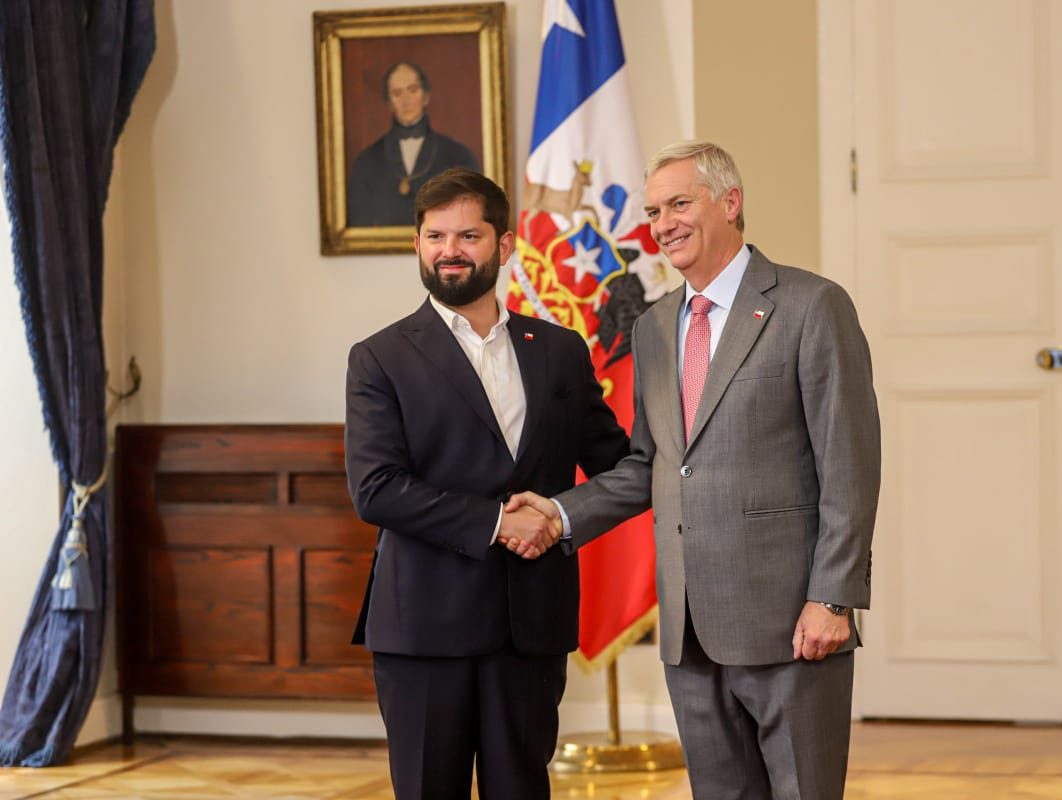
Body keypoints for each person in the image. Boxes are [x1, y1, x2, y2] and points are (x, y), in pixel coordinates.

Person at [504, 141, 881, 799]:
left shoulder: (811, 306)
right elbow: (651, 465)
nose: (663, 224)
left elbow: (848, 463)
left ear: (730, 203)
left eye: (679, 203)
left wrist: (833, 598)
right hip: (689, 632)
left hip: (791, 623)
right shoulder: (652, 329)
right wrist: (559, 512)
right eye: (652, 211)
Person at [345, 168, 629, 799]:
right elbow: (376, 488)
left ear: (503, 247)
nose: (450, 250)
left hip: (528, 624)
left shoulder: (559, 349)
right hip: (422, 629)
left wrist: (558, 513)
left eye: (468, 235)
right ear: (417, 245)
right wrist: (502, 522)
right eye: (435, 236)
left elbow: (617, 464)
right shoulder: (379, 357)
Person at [346, 61, 480, 227]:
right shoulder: (367, 162)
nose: (406, 100)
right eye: (397, 93)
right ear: (389, 103)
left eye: (412, 90)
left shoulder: (458, 156)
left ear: (426, 96)